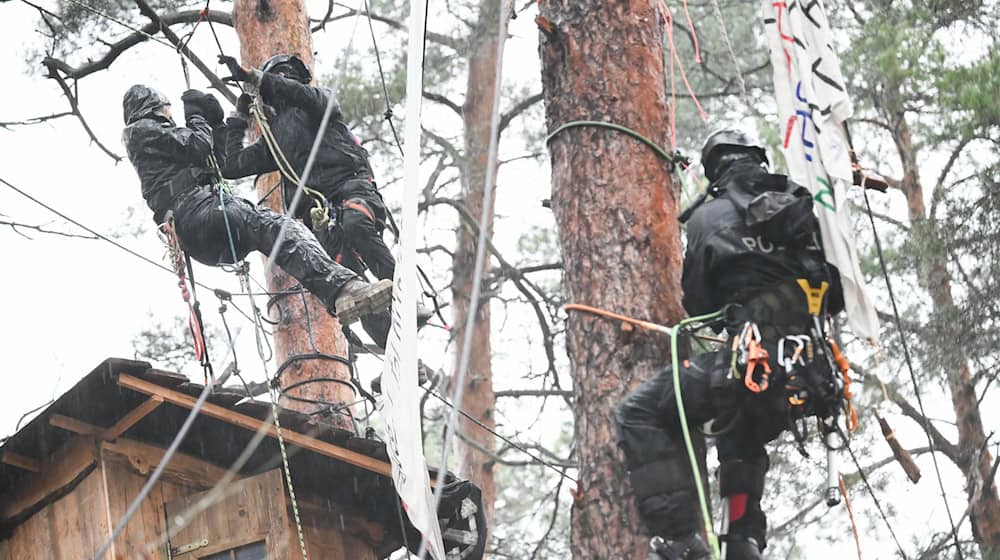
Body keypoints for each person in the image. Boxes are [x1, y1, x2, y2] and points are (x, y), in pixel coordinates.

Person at [613, 129, 846, 560]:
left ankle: (681, 538)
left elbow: (697, 300)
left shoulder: (709, 217)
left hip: (753, 364)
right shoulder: (800, 208)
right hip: (811, 372)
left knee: (638, 411)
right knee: (740, 430)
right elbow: (835, 291)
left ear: (715, 170)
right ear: (758, 161)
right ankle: (741, 540)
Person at [121, 84, 392, 326]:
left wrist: (221, 123)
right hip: (198, 215)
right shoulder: (140, 131)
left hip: (204, 227)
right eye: (167, 110)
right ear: (155, 108)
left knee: (277, 237)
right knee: (282, 229)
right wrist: (195, 116)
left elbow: (220, 161)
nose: (171, 115)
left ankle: (341, 295)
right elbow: (199, 146)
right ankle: (343, 288)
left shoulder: (161, 143)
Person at [212, 54, 425, 350]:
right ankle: (399, 354)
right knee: (354, 288)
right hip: (321, 215)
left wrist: (258, 78)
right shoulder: (275, 140)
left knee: (356, 224)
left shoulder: (319, 102)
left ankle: (408, 302)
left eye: (287, 76)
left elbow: (299, 94)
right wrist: (239, 117)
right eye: (278, 77)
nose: (283, 82)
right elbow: (231, 165)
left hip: (351, 188)